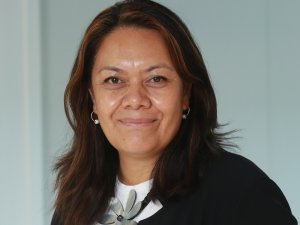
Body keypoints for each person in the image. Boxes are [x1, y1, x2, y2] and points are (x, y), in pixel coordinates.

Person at [51, 0, 298, 225]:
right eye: (114, 80)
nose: (136, 99)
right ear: (92, 98)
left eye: (156, 78)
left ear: (186, 93)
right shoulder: (76, 200)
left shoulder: (239, 192)